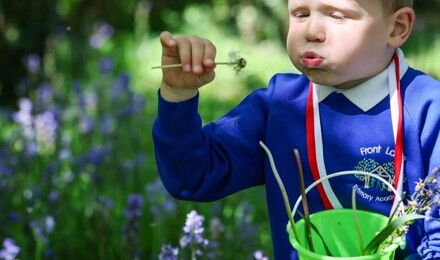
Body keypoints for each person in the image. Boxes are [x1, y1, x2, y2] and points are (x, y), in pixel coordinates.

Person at [152, 0, 440, 258]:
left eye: (337, 15)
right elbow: (191, 176)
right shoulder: (280, 107)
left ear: (397, 27)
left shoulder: (428, 110)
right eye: (300, 13)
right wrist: (178, 96)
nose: (311, 30)